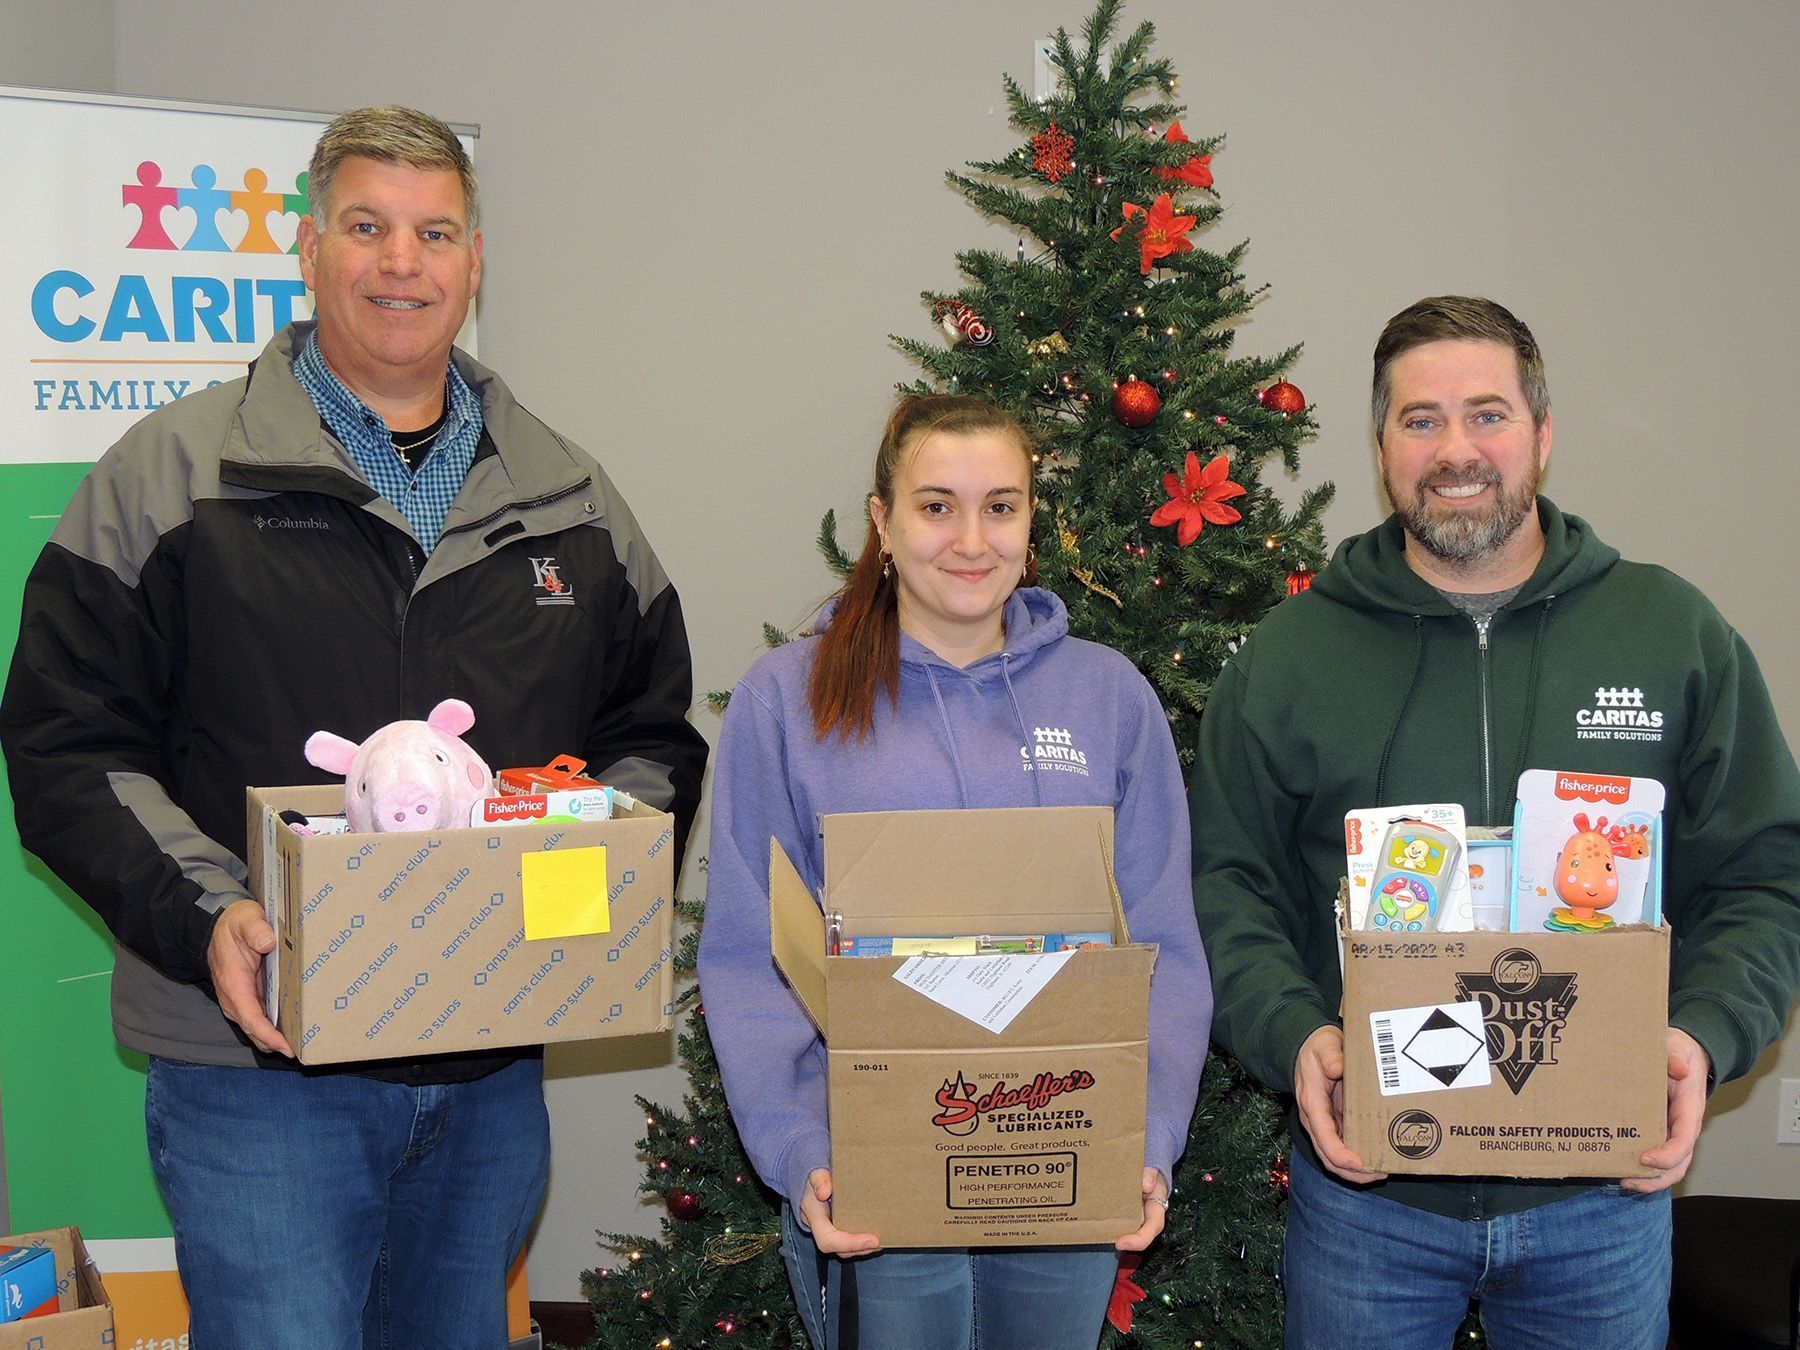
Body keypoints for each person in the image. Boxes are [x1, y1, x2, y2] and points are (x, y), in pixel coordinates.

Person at [0, 105, 707, 1348]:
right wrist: (213, 914)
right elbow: (68, 740)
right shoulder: (168, 474)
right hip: (254, 1070)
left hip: (487, 1072)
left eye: (435, 232)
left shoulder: (573, 496)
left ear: (473, 262)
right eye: (368, 226)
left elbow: (649, 739)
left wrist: (578, 879)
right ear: (312, 250)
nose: (402, 262)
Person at [1189, 295, 1800, 1349]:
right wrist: (1296, 1035)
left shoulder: (1671, 632)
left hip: (1599, 1197)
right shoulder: (1291, 655)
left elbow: (1765, 874)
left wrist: (1704, 1036)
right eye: (1420, 420)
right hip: (1372, 1200)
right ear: (1380, 444)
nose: (1456, 450)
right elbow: (1226, 883)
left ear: (1543, 434)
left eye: (1488, 415)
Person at [697, 394, 1210, 1349]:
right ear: (883, 523)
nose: (971, 539)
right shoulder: (789, 699)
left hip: (1062, 1158)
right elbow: (746, 951)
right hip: (871, 1175)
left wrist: (1147, 1139)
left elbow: (1163, 945)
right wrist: (802, 1147)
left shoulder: (1108, 698)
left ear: (1031, 522)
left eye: (1002, 506)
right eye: (937, 506)